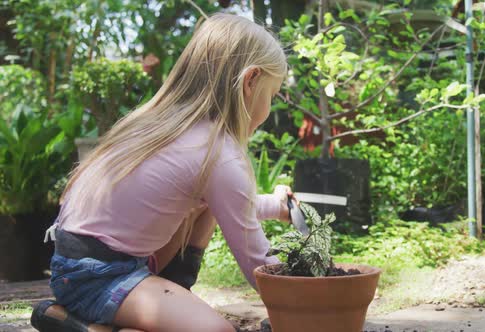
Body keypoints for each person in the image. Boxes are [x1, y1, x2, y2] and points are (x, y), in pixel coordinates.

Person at [31, 13, 292, 332]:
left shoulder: (162, 126)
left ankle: (150, 308)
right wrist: (309, 301)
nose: (269, 108)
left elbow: (234, 205)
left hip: (82, 263)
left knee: (206, 205)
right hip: (98, 276)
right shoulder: (216, 153)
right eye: (273, 94)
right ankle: (102, 325)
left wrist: (277, 208)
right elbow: (259, 264)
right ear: (250, 81)